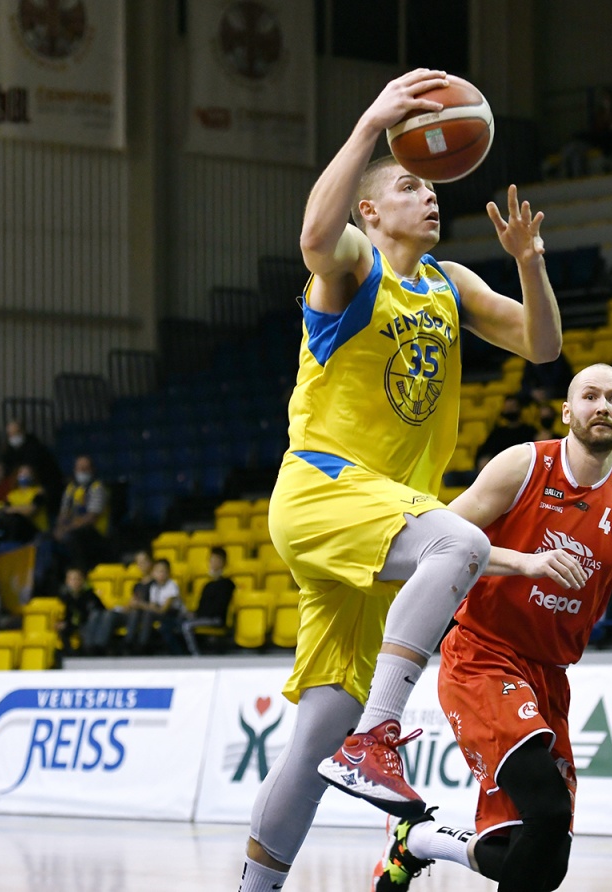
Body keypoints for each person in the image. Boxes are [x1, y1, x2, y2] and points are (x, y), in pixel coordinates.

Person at [239, 70, 564, 892]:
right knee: (461, 540)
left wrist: (529, 264)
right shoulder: (354, 267)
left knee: (314, 739)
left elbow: (542, 346)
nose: (429, 196)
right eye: (410, 187)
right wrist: (368, 126)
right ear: (370, 212)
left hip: (379, 520)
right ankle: (378, 735)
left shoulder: (450, 284)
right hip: (324, 487)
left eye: (431, 187)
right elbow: (315, 237)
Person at [367, 363, 612, 891]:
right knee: (547, 809)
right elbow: (434, 546)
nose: (602, 406)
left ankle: (420, 841)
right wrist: (524, 562)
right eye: (590, 396)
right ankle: (419, 841)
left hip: (549, 676)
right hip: (483, 656)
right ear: (567, 411)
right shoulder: (522, 465)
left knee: (543, 860)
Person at [52, 455, 110, 573]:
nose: (82, 471)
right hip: (72, 528)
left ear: (92, 470)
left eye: (85, 468)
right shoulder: (71, 488)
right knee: (46, 538)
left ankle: (81, 572)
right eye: (79, 468)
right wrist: (59, 528)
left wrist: (67, 528)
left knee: (73, 537)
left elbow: (91, 517)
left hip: (96, 533)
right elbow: (64, 513)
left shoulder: (98, 488)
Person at [183, 546, 236, 655]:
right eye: (211, 560)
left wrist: (201, 615)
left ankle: (196, 656)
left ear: (223, 562)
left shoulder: (228, 584)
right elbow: (202, 605)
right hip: (203, 617)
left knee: (186, 626)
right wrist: (194, 613)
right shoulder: (207, 585)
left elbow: (220, 607)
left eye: (216, 560)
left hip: (216, 619)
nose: (213, 563)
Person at [475, 395, 539, 470]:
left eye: (512, 407)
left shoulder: (529, 431)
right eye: (507, 408)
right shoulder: (498, 433)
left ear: (519, 408)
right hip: (501, 470)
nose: (510, 410)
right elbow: (485, 452)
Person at [56, 566, 104, 656]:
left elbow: (100, 611)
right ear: (67, 581)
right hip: (73, 624)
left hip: (89, 625)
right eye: (72, 579)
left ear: (82, 580)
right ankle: (68, 655)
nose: (75, 582)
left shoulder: (90, 596)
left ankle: (91, 651)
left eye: (77, 579)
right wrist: (62, 622)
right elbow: (65, 615)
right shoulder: (63, 598)